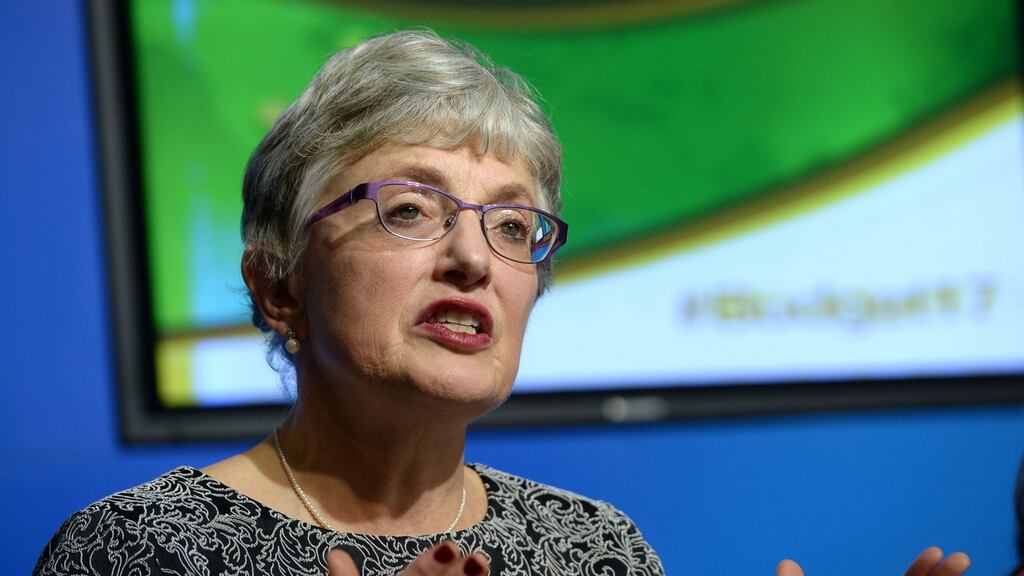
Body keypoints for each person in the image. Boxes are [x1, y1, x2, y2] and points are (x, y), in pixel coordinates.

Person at [33, 30, 970, 576]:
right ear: (277, 284)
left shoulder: (596, 551)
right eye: (409, 209)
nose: (474, 260)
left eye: (515, 227)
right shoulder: (133, 550)